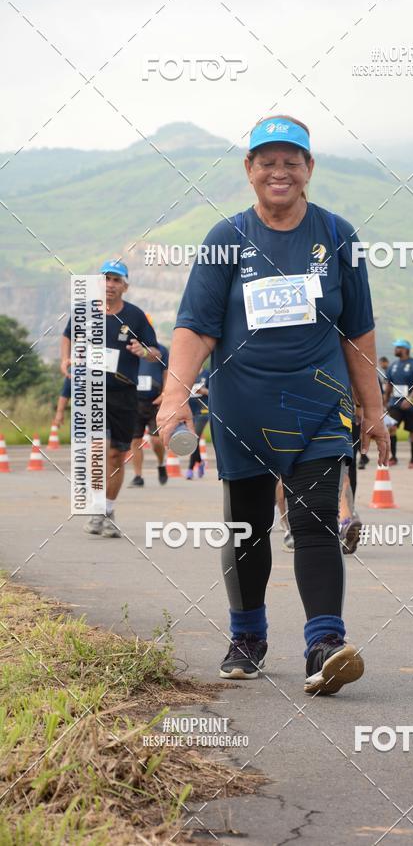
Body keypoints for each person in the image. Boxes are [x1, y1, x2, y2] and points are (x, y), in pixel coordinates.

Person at [157, 115, 388, 695]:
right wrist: (173, 397)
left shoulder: (338, 235)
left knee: (315, 526)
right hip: (243, 410)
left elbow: (357, 332)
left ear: (309, 168)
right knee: (248, 527)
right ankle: (248, 635)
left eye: (292, 161)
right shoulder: (225, 238)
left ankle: (324, 643)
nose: (279, 171)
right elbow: (196, 326)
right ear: (249, 170)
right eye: (267, 161)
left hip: (318, 409)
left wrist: (373, 409)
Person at [61, 260, 160, 536]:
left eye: (116, 280)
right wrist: (65, 359)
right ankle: (95, 509)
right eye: (106, 279)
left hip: (124, 393)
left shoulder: (137, 316)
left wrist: (144, 351)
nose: (110, 285)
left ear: (125, 286)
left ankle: (107, 509)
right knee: (96, 450)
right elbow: (67, 336)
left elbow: (156, 352)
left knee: (117, 454)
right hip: (91, 390)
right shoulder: (84, 312)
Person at [129, 328, 169, 487]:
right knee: (135, 440)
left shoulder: (161, 351)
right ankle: (138, 476)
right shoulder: (131, 350)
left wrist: (165, 394)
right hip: (134, 401)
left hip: (155, 401)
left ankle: (161, 464)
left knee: (156, 440)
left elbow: (167, 373)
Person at [383, 339, 413, 467]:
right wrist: (384, 402)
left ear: (406, 349)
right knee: (391, 428)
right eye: (395, 347)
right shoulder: (392, 366)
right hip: (395, 404)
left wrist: (410, 399)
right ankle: (393, 457)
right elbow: (389, 386)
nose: (396, 350)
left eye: (398, 347)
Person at [186, 368, 210, 479]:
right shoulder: (188, 373)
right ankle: (200, 462)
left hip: (203, 411)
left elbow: (215, 392)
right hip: (190, 411)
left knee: (194, 437)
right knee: (193, 438)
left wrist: (204, 391)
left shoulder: (208, 373)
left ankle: (190, 468)